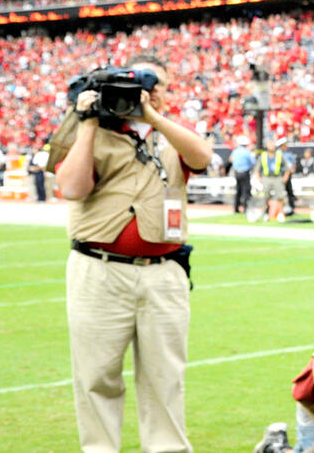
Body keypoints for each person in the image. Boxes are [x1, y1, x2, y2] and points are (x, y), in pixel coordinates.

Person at [48, 53, 212, 453]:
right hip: (98, 267)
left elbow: (202, 157)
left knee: (165, 376)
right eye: (143, 82)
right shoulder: (88, 129)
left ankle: (168, 449)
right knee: (96, 374)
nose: (150, 92)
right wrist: (87, 122)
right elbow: (71, 188)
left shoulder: (168, 134)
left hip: (164, 270)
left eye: (159, 86)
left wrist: (152, 117)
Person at [257, 137, 290, 222]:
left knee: (280, 196)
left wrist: (285, 177)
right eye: (270, 145)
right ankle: (266, 213)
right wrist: (259, 179)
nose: (272, 146)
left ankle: (281, 213)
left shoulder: (279, 155)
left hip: (277, 177)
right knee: (265, 196)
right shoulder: (263, 155)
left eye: (273, 145)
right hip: (266, 178)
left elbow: (287, 168)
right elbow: (257, 169)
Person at [228, 135, 255, 213]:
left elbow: (231, 160)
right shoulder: (247, 152)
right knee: (246, 191)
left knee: (238, 190)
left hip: (236, 172)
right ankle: (246, 208)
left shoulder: (235, 151)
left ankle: (236, 208)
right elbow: (252, 162)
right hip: (245, 173)